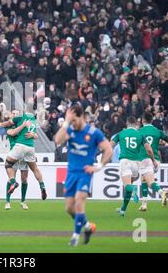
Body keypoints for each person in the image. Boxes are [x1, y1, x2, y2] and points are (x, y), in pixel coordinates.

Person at [54, 104, 113, 246]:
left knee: (80, 200)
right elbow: (57, 140)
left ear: (81, 117)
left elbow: (108, 150)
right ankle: (87, 227)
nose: (72, 123)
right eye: (71, 121)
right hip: (71, 173)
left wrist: (98, 166)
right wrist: (67, 122)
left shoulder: (94, 133)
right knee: (69, 208)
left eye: (74, 120)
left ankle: (75, 237)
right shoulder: (70, 129)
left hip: (85, 173)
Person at [110, 116, 161, 217]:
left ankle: (133, 190)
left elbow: (110, 145)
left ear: (127, 123)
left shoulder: (121, 133)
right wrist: (153, 160)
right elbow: (149, 150)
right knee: (131, 182)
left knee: (127, 185)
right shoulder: (140, 134)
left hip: (125, 161)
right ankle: (123, 210)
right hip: (137, 163)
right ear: (136, 124)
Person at [0, 108, 47, 200]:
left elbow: (8, 125)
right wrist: (33, 135)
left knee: (8, 164)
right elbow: (35, 134)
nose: (15, 115)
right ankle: (42, 186)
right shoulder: (33, 120)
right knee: (34, 168)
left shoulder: (20, 118)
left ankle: (13, 183)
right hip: (30, 147)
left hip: (19, 147)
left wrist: (0, 124)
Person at [137, 112, 168, 211]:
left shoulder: (139, 131)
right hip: (156, 160)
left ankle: (161, 192)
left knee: (149, 182)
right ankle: (144, 205)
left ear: (143, 121)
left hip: (145, 159)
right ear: (152, 120)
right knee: (144, 179)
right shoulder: (157, 131)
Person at [4, 110, 37, 210]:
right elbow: (13, 133)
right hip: (15, 154)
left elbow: (34, 134)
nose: (15, 115)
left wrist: (34, 135)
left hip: (24, 155)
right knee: (11, 178)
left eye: (16, 114)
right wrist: (23, 125)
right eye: (13, 113)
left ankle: (23, 201)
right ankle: (8, 202)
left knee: (24, 179)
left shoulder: (26, 125)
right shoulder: (10, 128)